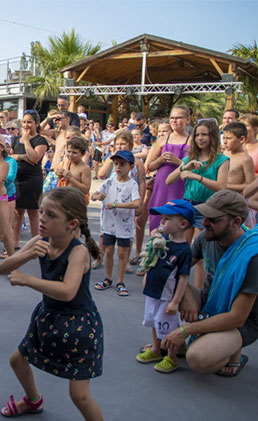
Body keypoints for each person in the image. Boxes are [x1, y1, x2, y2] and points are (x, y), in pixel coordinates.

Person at [0, 187, 113, 421]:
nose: (43, 220)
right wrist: (26, 253)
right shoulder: (42, 241)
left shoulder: (78, 252)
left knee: (80, 396)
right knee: (17, 360)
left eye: (51, 215)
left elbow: (68, 291)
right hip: (48, 319)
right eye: (43, 213)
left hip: (79, 328)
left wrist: (28, 279)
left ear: (72, 224)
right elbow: (4, 268)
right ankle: (33, 399)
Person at [160, 190, 257, 378]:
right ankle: (185, 342)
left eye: (212, 219)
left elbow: (237, 317)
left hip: (241, 324)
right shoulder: (206, 237)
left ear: (236, 222)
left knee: (197, 358)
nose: (204, 223)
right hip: (209, 303)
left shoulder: (253, 256)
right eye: (204, 217)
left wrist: (185, 330)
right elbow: (172, 270)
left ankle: (232, 354)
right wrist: (186, 295)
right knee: (160, 281)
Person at [166, 120, 228, 288]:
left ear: (213, 136)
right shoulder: (189, 158)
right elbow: (168, 180)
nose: (200, 138)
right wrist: (185, 167)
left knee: (200, 254)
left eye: (204, 134)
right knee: (182, 249)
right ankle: (177, 286)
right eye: (198, 135)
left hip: (207, 207)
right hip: (188, 206)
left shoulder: (221, 160)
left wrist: (197, 176)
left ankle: (200, 292)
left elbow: (222, 187)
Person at [136, 200, 194, 373]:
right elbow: (152, 259)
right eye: (162, 218)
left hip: (167, 296)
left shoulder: (184, 250)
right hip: (153, 292)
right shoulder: (162, 241)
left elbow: (183, 278)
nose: (161, 223)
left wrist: (176, 301)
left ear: (183, 224)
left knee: (168, 328)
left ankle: (171, 356)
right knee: (154, 321)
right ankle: (155, 349)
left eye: (167, 219)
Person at [91, 150, 141, 296]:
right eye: (116, 164)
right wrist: (97, 196)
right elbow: (94, 196)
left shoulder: (132, 185)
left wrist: (118, 205)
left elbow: (137, 204)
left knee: (122, 251)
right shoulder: (109, 182)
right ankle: (108, 278)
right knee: (109, 250)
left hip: (123, 226)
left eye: (122, 164)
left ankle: (120, 280)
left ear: (131, 167)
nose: (118, 167)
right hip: (108, 224)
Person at [145, 105, 191, 232]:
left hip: (180, 186)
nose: (174, 121)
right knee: (157, 218)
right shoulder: (162, 140)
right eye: (172, 118)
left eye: (178, 118)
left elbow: (195, 167)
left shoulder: (191, 141)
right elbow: (149, 166)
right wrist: (160, 160)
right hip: (161, 186)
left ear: (188, 119)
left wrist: (178, 162)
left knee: (177, 218)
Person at [11, 110, 48, 245]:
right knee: (17, 211)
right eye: (24, 122)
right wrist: (22, 157)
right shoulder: (15, 139)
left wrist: (26, 141)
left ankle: (36, 243)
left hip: (32, 180)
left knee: (33, 212)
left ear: (37, 124)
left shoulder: (40, 140)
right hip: (17, 180)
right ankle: (14, 242)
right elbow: (10, 157)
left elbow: (34, 158)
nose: (26, 125)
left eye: (29, 122)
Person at [222, 122, 254, 194]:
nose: (224, 142)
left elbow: (250, 185)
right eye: (223, 138)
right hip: (218, 194)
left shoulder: (245, 159)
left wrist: (225, 186)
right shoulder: (225, 154)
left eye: (228, 138)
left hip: (233, 197)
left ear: (242, 139)